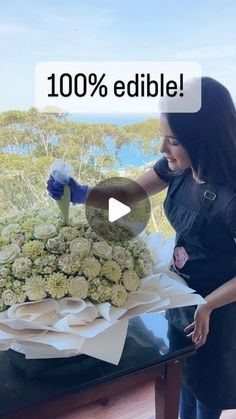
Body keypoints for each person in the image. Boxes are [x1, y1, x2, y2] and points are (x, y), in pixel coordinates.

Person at [47, 77, 236, 419]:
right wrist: (81, 194)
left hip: (220, 311)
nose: (163, 149)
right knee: (181, 378)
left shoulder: (232, 194)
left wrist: (208, 306)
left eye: (174, 141)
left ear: (203, 139)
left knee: (209, 391)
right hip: (182, 295)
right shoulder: (177, 169)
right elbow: (126, 199)